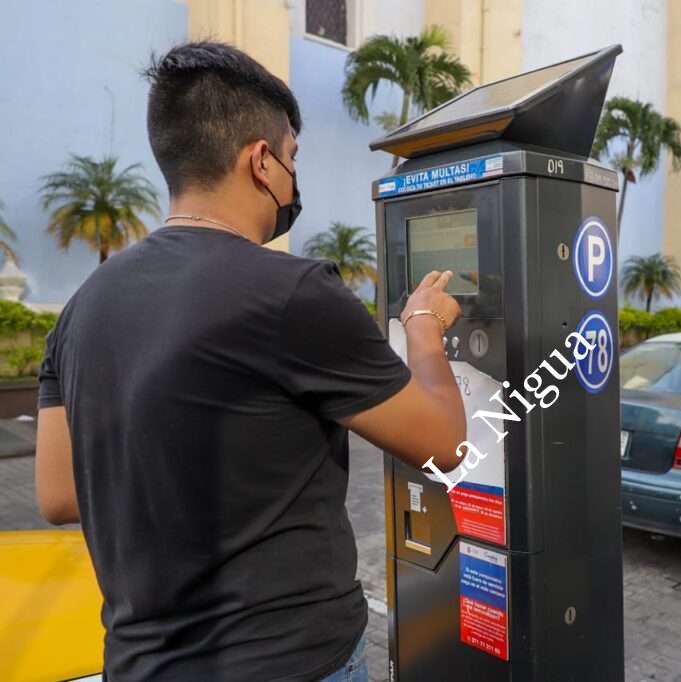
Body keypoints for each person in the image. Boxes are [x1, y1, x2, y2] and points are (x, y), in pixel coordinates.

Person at [34, 42, 468, 681]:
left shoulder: (81, 309)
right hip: (293, 662)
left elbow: (59, 495)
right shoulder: (294, 292)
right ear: (261, 161)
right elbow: (445, 445)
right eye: (292, 158)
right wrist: (424, 328)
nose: (293, 179)